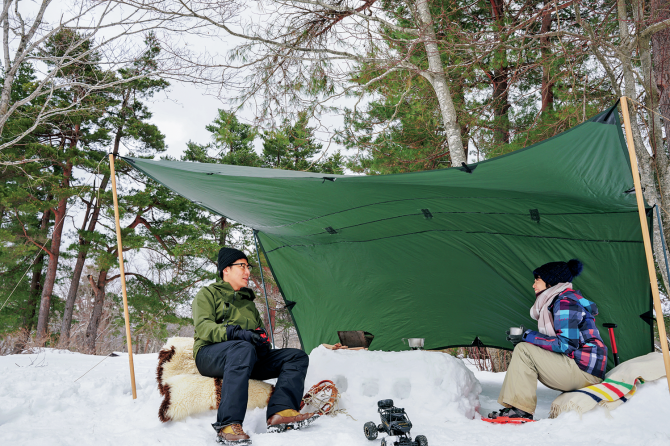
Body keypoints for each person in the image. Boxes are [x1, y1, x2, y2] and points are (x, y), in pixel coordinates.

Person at [192, 247, 318, 445]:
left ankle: (281, 412)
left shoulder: (247, 302)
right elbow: (203, 328)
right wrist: (234, 332)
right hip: (209, 355)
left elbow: (256, 333)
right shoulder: (207, 294)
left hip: (245, 356)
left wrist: (261, 341)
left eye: (248, 266)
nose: (247, 272)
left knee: (296, 356)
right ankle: (228, 424)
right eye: (241, 266)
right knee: (243, 348)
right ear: (226, 269)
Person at [487, 259, 608, 421]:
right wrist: (529, 339)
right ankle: (516, 407)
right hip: (580, 367)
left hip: (584, 371)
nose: (533, 285)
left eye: (537, 280)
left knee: (524, 350)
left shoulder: (565, 303)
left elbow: (566, 344)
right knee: (525, 348)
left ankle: (520, 410)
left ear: (551, 282)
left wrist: (527, 336)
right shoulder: (560, 301)